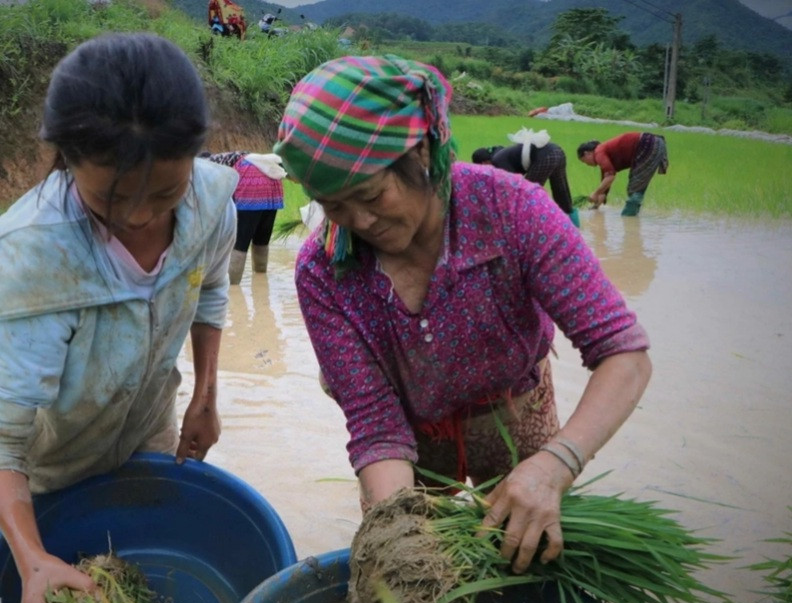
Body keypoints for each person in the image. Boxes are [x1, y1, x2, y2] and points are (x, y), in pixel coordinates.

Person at [274, 55, 652, 574]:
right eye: (334, 205)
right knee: (402, 563)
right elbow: (375, 422)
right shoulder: (323, 270)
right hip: (409, 436)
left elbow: (624, 354)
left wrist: (555, 465)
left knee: (528, 560)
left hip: (516, 411)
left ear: (421, 151)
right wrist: (395, 536)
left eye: (371, 194)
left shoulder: (511, 210)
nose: (360, 222)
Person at [0, 32, 238, 603]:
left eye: (165, 193)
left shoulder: (213, 202)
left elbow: (211, 289)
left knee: (150, 593)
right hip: (47, 476)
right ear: (67, 159)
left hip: (148, 437)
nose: (140, 216)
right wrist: (32, 558)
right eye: (108, 199)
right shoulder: (34, 252)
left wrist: (205, 393)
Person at [205, 151, 286, 284]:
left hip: (250, 183)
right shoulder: (229, 158)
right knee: (261, 240)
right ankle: (261, 278)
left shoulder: (206, 168)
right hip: (272, 181)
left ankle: (232, 286)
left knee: (240, 244)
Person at [471, 128, 579, 227]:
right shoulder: (502, 153)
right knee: (560, 189)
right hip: (558, 151)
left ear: (484, 163)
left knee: (528, 194)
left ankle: (538, 224)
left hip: (546, 156)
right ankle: (575, 226)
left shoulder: (497, 161)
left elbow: (513, 186)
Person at [576, 132, 669, 216]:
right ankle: (633, 217)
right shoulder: (603, 154)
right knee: (637, 186)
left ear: (587, 153)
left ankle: (628, 218)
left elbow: (610, 176)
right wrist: (597, 205)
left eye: (584, 161)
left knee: (635, 188)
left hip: (647, 145)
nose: (586, 164)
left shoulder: (598, 152)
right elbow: (605, 183)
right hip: (653, 144)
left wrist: (595, 193)